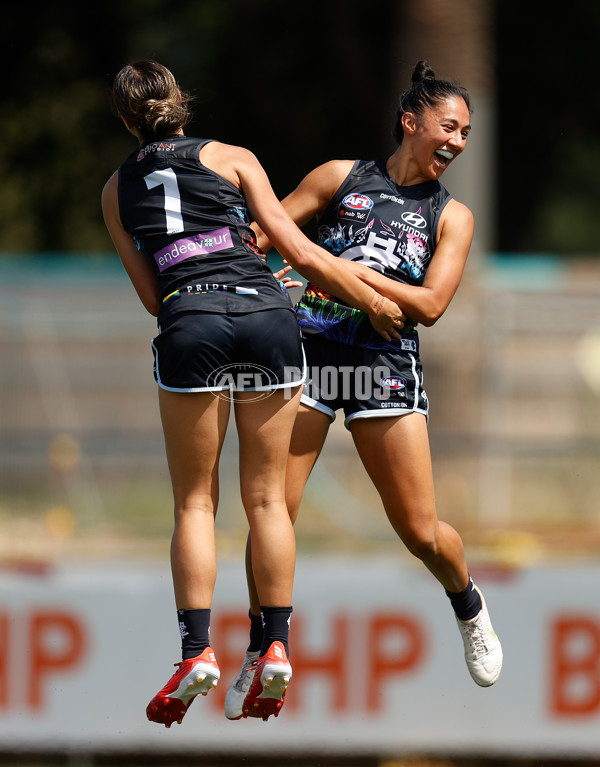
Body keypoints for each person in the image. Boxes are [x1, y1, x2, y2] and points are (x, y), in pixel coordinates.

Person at [101, 60, 403, 727]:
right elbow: (298, 248)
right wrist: (370, 298)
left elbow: (154, 296)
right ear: (183, 105)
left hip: (189, 321)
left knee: (195, 500)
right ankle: (276, 647)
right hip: (266, 313)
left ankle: (195, 651)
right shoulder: (235, 157)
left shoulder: (114, 190)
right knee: (267, 498)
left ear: (126, 120)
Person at [224, 60, 503, 720]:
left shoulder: (452, 216)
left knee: (420, 530)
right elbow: (267, 237)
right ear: (411, 123)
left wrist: (344, 278)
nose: (458, 141)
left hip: (383, 369)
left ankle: (468, 604)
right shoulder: (338, 178)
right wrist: (275, 277)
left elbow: (432, 304)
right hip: (310, 359)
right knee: (272, 510)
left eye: (466, 133)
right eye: (448, 126)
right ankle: (262, 646)